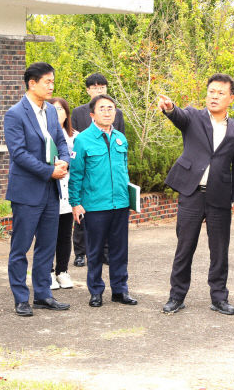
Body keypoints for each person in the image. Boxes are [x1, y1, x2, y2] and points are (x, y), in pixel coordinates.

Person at [158, 73, 234, 316]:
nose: (214, 96)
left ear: (231, 98)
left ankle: (219, 297)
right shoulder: (193, 116)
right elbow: (178, 115)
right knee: (185, 247)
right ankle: (176, 296)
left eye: (220, 93)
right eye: (211, 92)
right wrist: (170, 108)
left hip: (220, 195)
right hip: (191, 193)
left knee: (219, 250)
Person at [4, 62, 71, 316]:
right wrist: (48, 171)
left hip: (51, 191)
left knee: (46, 245)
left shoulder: (52, 112)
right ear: (32, 84)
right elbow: (18, 154)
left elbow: (61, 141)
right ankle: (21, 297)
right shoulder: (15, 114)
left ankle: (43, 294)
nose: (51, 86)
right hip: (27, 191)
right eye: (47, 82)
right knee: (20, 247)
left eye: (53, 81)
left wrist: (64, 160)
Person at [68, 94, 137, 308]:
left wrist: (130, 199)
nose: (107, 112)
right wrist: (75, 202)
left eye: (111, 108)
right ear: (92, 114)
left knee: (119, 251)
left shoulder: (120, 138)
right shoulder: (82, 140)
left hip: (120, 204)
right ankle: (96, 291)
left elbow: (124, 171)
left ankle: (120, 290)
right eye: (102, 108)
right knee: (95, 251)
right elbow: (76, 174)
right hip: (95, 206)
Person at [70, 73, 125, 267]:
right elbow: (73, 138)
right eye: (94, 87)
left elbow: (121, 144)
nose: (98, 90)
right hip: (87, 168)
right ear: (87, 90)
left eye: (102, 86)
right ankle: (80, 252)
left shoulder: (115, 113)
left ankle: (106, 253)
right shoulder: (78, 112)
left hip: (108, 175)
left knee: (109, 219)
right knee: (83, 215)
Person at [48, 97, 76, 290]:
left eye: (61, 109)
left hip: (68, 191)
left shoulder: (76, 136)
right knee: (48, 234)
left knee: (65, 234)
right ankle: (47, 272)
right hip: (49, 190)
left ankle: (62, 271)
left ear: (67, 112)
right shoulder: (43, 135)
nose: (58, 112)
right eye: (53, 108)